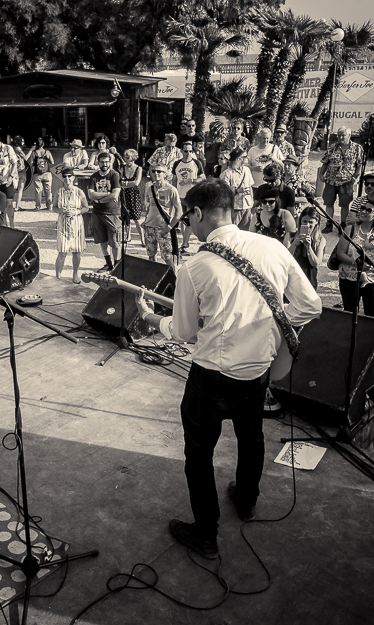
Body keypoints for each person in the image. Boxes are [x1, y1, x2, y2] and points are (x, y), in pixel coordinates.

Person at [133, 179, 321, 559]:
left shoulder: (195, 265)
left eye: (188, 217)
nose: (188, 224)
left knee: (199, 453)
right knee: (251, 438)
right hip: (257, 373)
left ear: (197, 213)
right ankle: (247, 502)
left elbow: (183, 332)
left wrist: (152, 319)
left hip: (210, 378)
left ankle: (206, 534)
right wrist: (271, 326)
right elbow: (311, 305)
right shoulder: (272, 247)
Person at [336, 201, 374, 318]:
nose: (363, 211)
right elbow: (340, 253)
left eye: (368, 210)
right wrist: (357, 264)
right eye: (362, 208)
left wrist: (373, 263)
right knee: (350, 313)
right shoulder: (350, 230)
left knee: (373, 314)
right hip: (349, 277)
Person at [319, 127, 364, 232]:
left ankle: (343, 225)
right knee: (328, 203)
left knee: (345, 204)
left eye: (343, 135)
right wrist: (321, 174)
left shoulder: (357, 148)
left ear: (349, 136)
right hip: (331, 180)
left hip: (346, 181)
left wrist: (354, 177)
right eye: (339, 135)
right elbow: (325, 162)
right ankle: (329, 223)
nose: (340, 137)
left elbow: (359, 164)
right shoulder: (332, 147)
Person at [140, 165, 183, 270]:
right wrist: (145, 221)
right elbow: (149, 207)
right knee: (151, 255)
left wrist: (169, 227)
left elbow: (179, 212)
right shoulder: (150, 188)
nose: (156, 173)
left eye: (159, 171)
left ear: (165, 174)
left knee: (167, 258)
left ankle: (173, 278)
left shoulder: (171, 190)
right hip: (149, 227)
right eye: (154, 171)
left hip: (163, 228)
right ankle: (154, 277)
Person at [88, 152, 122, 272]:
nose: (105, 164)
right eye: (102, 162)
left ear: (110, 162)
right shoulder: (94, 176)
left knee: (115, 241)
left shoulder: (114, 175)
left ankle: (117, 266)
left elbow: (115, 195)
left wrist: (99, 199)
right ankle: (108, 264)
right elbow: (90, 195)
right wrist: (107, 193)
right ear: (98, 162)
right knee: (102, 240)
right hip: (97, 213)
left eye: (107, 162)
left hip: (112, 213)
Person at [54, 165, 87, 283]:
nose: (67, 179)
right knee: (62, 252)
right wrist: (62, 210)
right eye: (65, 176)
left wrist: (76, 212)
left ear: (73, 177)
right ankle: (58, 276)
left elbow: (86, 207)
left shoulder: (79, 192)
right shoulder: (58, 192)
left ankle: (75, 274)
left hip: (76, 225)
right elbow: (53, 208)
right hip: (63, 225)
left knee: (77, 252)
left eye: (69, 176)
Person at [173, 141, 204, 251]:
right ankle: (184, 241)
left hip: (192, 196)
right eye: (186, 151)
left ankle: (184, 243)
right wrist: (174, 193)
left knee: (189, 220)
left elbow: (202, 179)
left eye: (191, 151)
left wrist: (190, 180)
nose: (188, 153)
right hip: (180, 195)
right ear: (181, 151)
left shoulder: (197, 163)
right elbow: (174, 179)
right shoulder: (177, 164)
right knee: (182, 219)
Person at [289, 207, 325, 290]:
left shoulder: (320, 240)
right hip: (291, 280)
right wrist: (294, 244)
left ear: (316, 222)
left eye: (311, 222)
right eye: (305, 221)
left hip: (309, 281)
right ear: (300, 221)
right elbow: (285, 258)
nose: (307, 225)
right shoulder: (290, 236)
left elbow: (315, 263)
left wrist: (309, 248)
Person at [220, 147, 254, 230]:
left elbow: (250, 186)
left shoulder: (247, 170)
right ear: (238, 159)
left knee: (246, 230)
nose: (247, 158)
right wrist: (237, 190)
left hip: (247, 205)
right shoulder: (227, 174)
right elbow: (223, 191)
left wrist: (252, 201)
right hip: (234, 207)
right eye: (245, 156)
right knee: (233, 229)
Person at [120, 149, 145, 246]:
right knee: (126, 217)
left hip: (134, 195)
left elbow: (136, 183)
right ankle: (128, 236)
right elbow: (119, 182)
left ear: (133, 158)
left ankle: (142, 239)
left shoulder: (138, 168)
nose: (126, 160)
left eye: (128, 158)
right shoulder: (122, 168)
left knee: (137, 218)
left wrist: (125, 183)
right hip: (124, 194)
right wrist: (127, 184)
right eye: (125, 158)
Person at [26, 137, 54, 211]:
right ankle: (49, 206)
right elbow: (52, 162)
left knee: (38, 191)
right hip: (47, 174)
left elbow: (31, 164)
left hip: (37, 174)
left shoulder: (34, 153)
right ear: (43, 144)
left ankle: (38, 206)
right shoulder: (47, 152)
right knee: (48, 191)